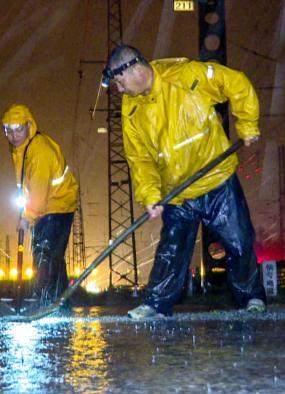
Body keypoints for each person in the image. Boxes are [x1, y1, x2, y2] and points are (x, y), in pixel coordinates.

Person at [102, 44, 267, 319]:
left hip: (216, 181)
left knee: (239, 240)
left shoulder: (185, 75)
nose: (119, 90)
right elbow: (139, 158)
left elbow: (236, 83)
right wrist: (151, 194)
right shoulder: (131, 110)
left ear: (133, 68)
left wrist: (248, 125)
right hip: (177, 192)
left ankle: (251, 298)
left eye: (120, 83)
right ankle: (156, 304)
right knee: (172, 249)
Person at [1, 104, 79, 306]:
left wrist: (27, 217)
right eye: (8, 130)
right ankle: (59, 303)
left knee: (44, 252)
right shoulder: (22, 150)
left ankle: (45, 301)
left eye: (18, 129)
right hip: (47, 207)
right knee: (52, 255)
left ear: (29, 126)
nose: (14, 135)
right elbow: (27, 186)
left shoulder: (39, 149)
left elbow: (38, 188)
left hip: (57, 205)